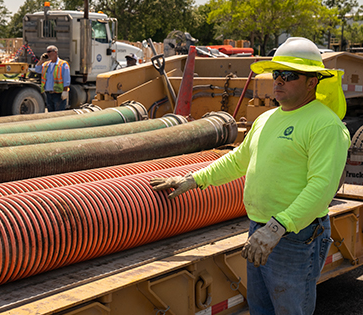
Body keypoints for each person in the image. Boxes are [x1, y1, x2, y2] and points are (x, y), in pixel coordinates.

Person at [150, 37, 350, 315]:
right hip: (260, 230)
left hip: (294, 237)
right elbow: (238, 161)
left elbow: (321, 188)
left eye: (288, 75)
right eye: (276, 74)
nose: (278, 81)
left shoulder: (325, 125)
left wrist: (278, 227)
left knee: (291, 311)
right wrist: (193, 179)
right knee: (260, 309)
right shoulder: (268, 119)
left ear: (312, 81)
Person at [35, 45, 71, 111]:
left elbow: (66, 79)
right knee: (51, 115)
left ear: (55, 52)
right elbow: (37, 69)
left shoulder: (63, 64)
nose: (47, 54)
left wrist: (65, 91)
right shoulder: (46, 64)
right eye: (47, 52)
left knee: (58, 114)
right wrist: (41, 60)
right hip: (48, 94)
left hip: (58, 94)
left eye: (49, 52)